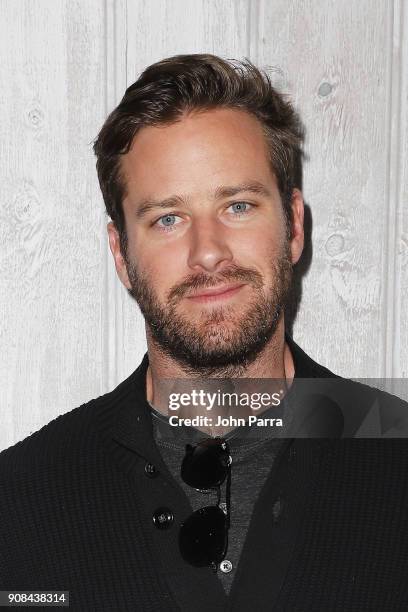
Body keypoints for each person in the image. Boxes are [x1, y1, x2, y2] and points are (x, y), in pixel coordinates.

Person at [1, 54, 408, 611]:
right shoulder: (20, 499)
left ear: (293, 227)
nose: (208, 251)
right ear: (122, 254)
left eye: (237, 206)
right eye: (168, 218)